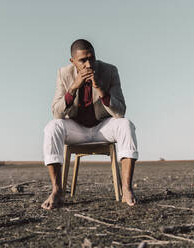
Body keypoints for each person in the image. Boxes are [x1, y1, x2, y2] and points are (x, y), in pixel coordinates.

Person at [41, 39, 138, 210]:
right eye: (82, 60)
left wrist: (101, 90)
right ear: (72, 61)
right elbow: (57, 113)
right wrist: (73, 88)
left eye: (91, 58)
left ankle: (126, 189)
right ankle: (56, 190)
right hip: (76, 129)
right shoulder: (64, 73)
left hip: (102, 127)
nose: (88, 64)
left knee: (125, 124)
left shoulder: (109, 71)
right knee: (52, 127)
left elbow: (120, 111)